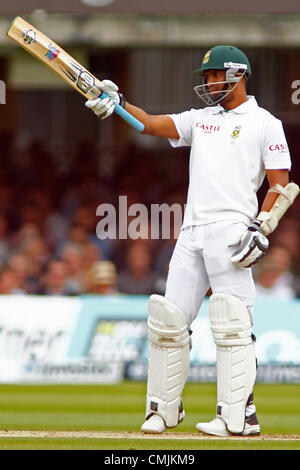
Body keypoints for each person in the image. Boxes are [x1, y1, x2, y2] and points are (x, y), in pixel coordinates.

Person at [85, 45, 298, 437]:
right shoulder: (201, 120)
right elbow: (148, 123)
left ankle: (237, 417)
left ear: (239, 75)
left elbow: (281, 185)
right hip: (192, 229)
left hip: (233, 229)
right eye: (208, 77)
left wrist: (261, 227)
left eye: (217, 75)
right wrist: (117, 103)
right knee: (168, 322)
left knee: (232, 324)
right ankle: (163, 410)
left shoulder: (265, 123)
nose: (211, 82)